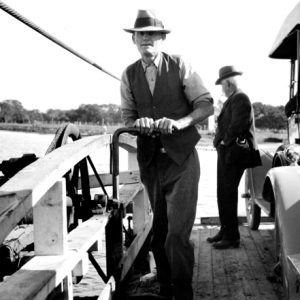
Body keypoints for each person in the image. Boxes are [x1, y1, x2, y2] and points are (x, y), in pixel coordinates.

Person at [120, 9, 214, 300]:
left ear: (161, 39)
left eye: (152, 34)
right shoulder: (129, 74)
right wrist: (139, 124)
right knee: (158, 234)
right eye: (140, 34)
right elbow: (127, 117)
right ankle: (165, 288)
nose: (146, 38)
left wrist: (179, 123)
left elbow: (206, 105)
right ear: (134, 40)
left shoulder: (180, 65)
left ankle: (183, 292)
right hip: (151, 162)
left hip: (182, 159)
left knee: (177, 235)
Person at [207, 66, 262, 250]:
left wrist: (223, 142)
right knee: (224, 194)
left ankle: (231, 237)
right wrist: (219, 143)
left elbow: (239, 125)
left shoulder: (240, 97)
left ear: (228, 82)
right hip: (229, 154)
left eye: (222, 84)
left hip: (234, 154)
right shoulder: (234, 98)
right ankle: (225, 231)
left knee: (227, 195)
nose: (221, 88)